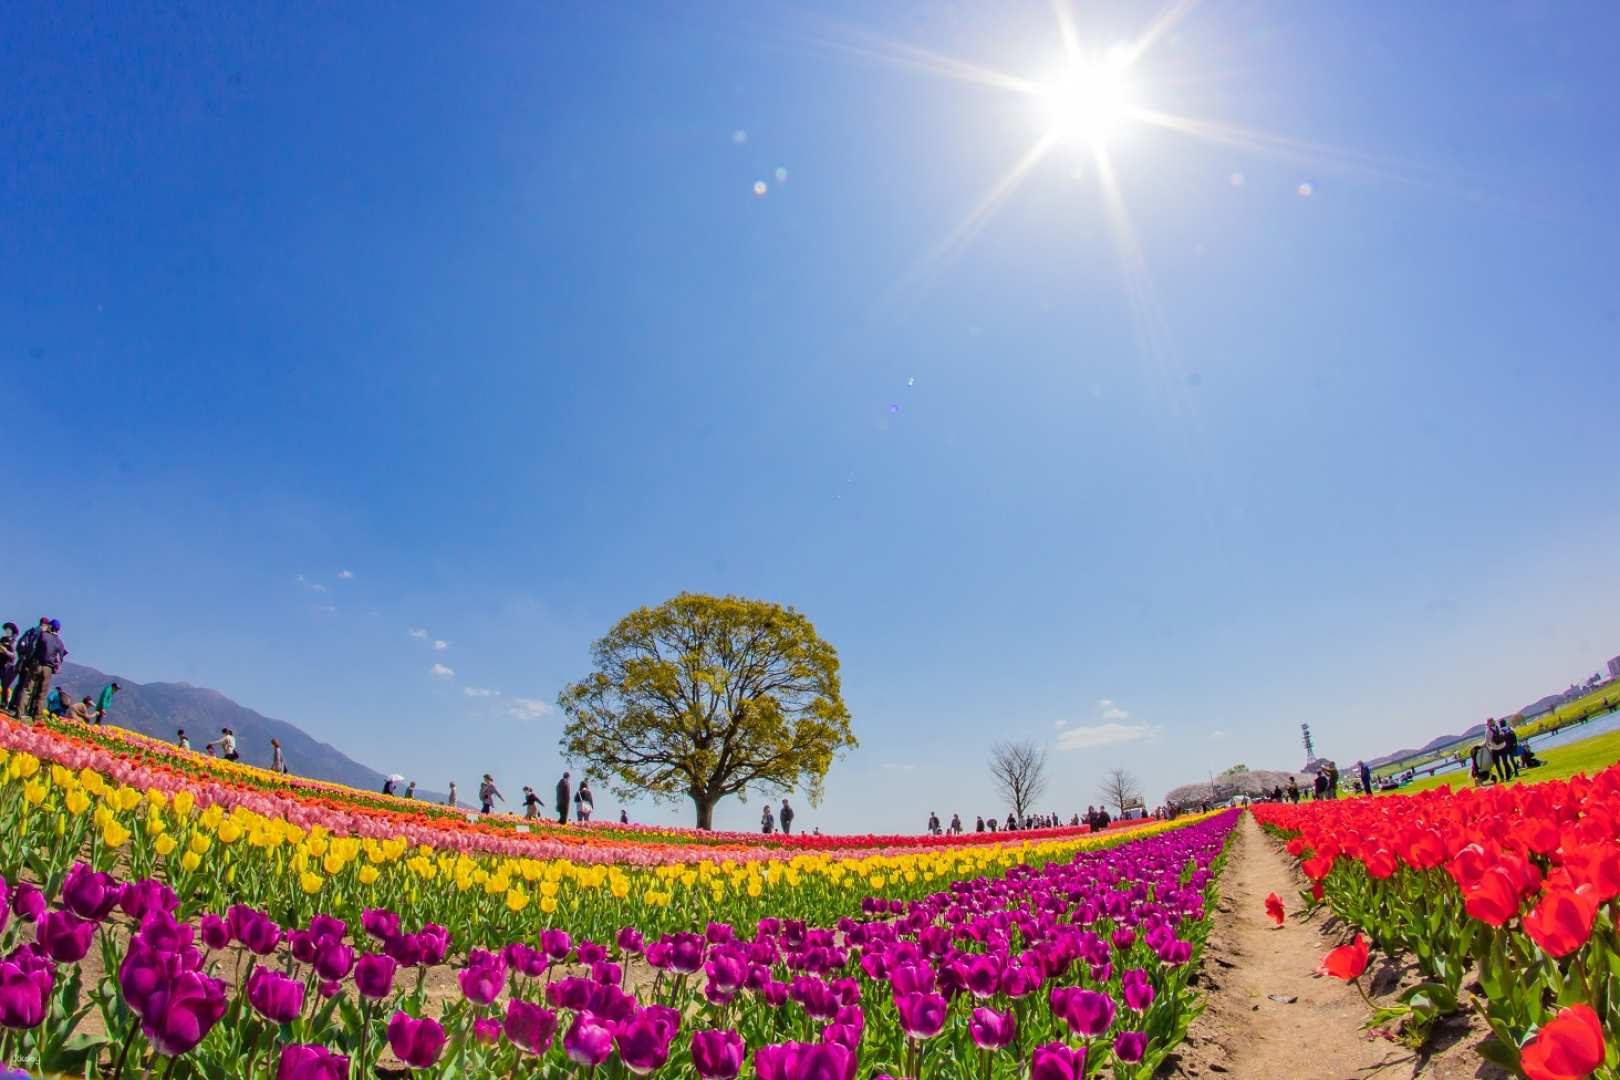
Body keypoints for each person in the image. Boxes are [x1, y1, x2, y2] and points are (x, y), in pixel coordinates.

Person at [0, 623, 18, 710]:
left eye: (8, 629)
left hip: (8, 667)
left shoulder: (14, 642)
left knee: (5, 686)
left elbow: (13, 656)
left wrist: (5, 651)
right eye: (5, 629)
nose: (6, 631)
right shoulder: (2, 639)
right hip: (1, 663)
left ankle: (4, 703)